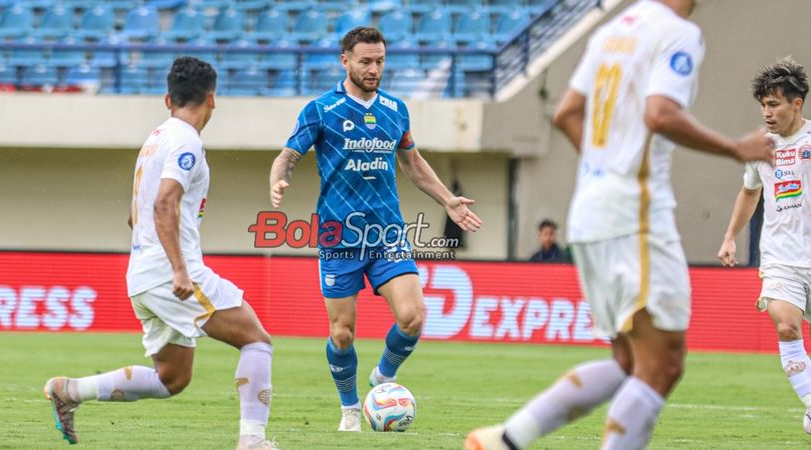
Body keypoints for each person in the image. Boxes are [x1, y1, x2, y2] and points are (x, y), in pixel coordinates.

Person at [466, 1, 776, 449]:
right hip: (637, 217)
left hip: (591, 212)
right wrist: (734, 148)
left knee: (629, 361)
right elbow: (660, 114)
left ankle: (506, 439)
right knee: (663, 364)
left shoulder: (613, 30)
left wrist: (606, 167)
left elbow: (566, 113)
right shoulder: (677, 31)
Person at [44, 57, 277, 450]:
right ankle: (252, 442)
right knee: (256, 340)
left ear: (167, 98)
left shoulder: (155, 138)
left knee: (172, 379)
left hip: (142, 273)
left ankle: (69, 391)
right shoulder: (186, 140)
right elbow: (163, 204)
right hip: (172, 275)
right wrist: (180, 269)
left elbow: (135, 215)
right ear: (213, 99)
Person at [269, 27, 483, 432]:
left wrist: (447, 200)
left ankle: (383, 378)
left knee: (413, 317)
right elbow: (287, 156)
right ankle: (350, 408)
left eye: (380, 60)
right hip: (339, 237)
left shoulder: (395, 109)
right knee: (343, 333)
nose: (374, 68)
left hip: (387, 234)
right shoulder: (321, 110)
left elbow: (413, 164)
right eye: (365, 61)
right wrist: (277, 179)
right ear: (345, 60)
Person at [717, 57, 811, 434]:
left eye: (774, 104)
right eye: (763, 105)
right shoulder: (761, 147)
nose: (767, 113)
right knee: (787, 326)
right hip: (781, 259)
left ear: (797, 104)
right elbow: (749, 192)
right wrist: (729, 236)